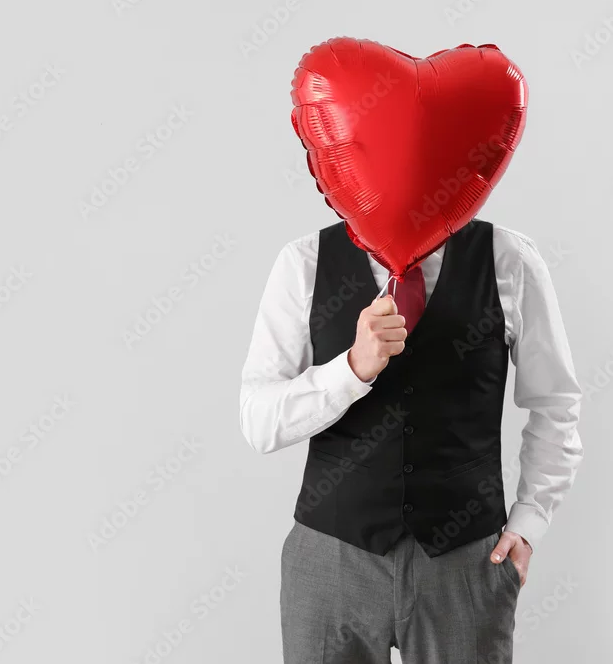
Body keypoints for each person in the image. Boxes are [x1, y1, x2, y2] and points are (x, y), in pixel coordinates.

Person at [240, 218, 583, 663]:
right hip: (331, 556)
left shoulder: (509, 258)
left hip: (464, 562)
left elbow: (556, 401)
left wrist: (530, 521)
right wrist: (351, 368)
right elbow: (258, 421)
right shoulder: (305, 261)